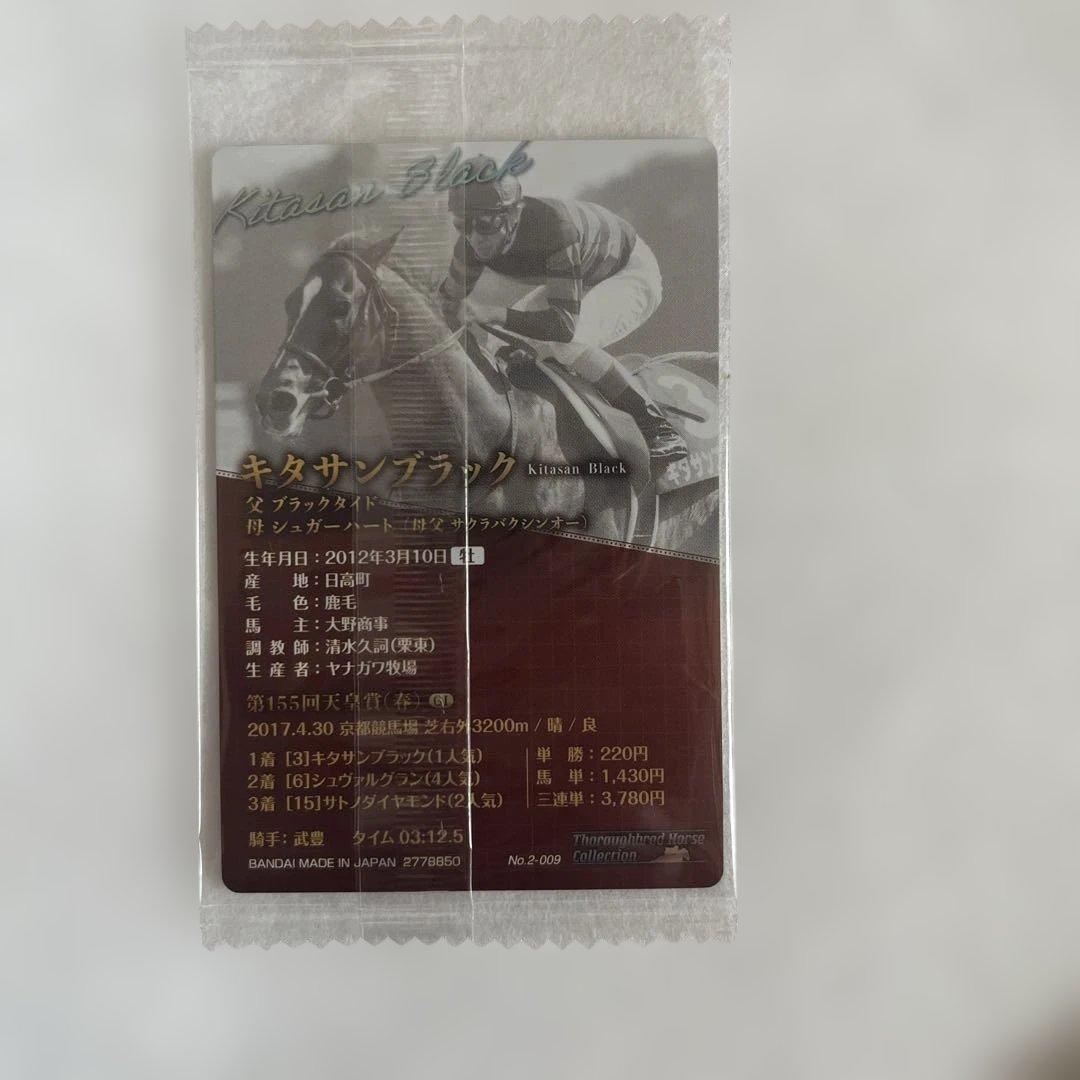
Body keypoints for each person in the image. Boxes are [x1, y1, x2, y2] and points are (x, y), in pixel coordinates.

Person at [436, 156, 688, 466]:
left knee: (568, 344)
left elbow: (563, 326)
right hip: (581, 274)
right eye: (463, 225)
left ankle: (659, 428)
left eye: (486, 223)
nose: (475, 238)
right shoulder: (470, 245)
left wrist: (495, 313)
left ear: (513, 215)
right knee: (499, 344)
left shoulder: (554, 228)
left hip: (627, 271)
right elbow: (444, 305)